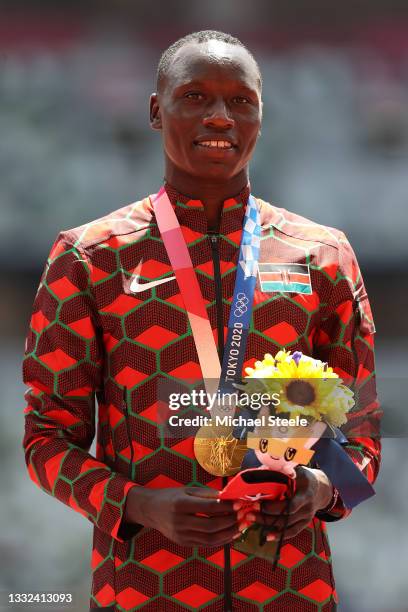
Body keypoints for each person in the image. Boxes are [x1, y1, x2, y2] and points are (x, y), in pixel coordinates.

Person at [22, 30, 381, 611]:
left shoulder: (322, 255)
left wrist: (317, 489)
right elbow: (45, 439)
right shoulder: (90, 257)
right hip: (143, 590)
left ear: (262, 116)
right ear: (155, 111)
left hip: (292, 589)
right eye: (195, 97)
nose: (220, 117)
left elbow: (360, 431)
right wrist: (138, 505)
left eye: (240, 101)